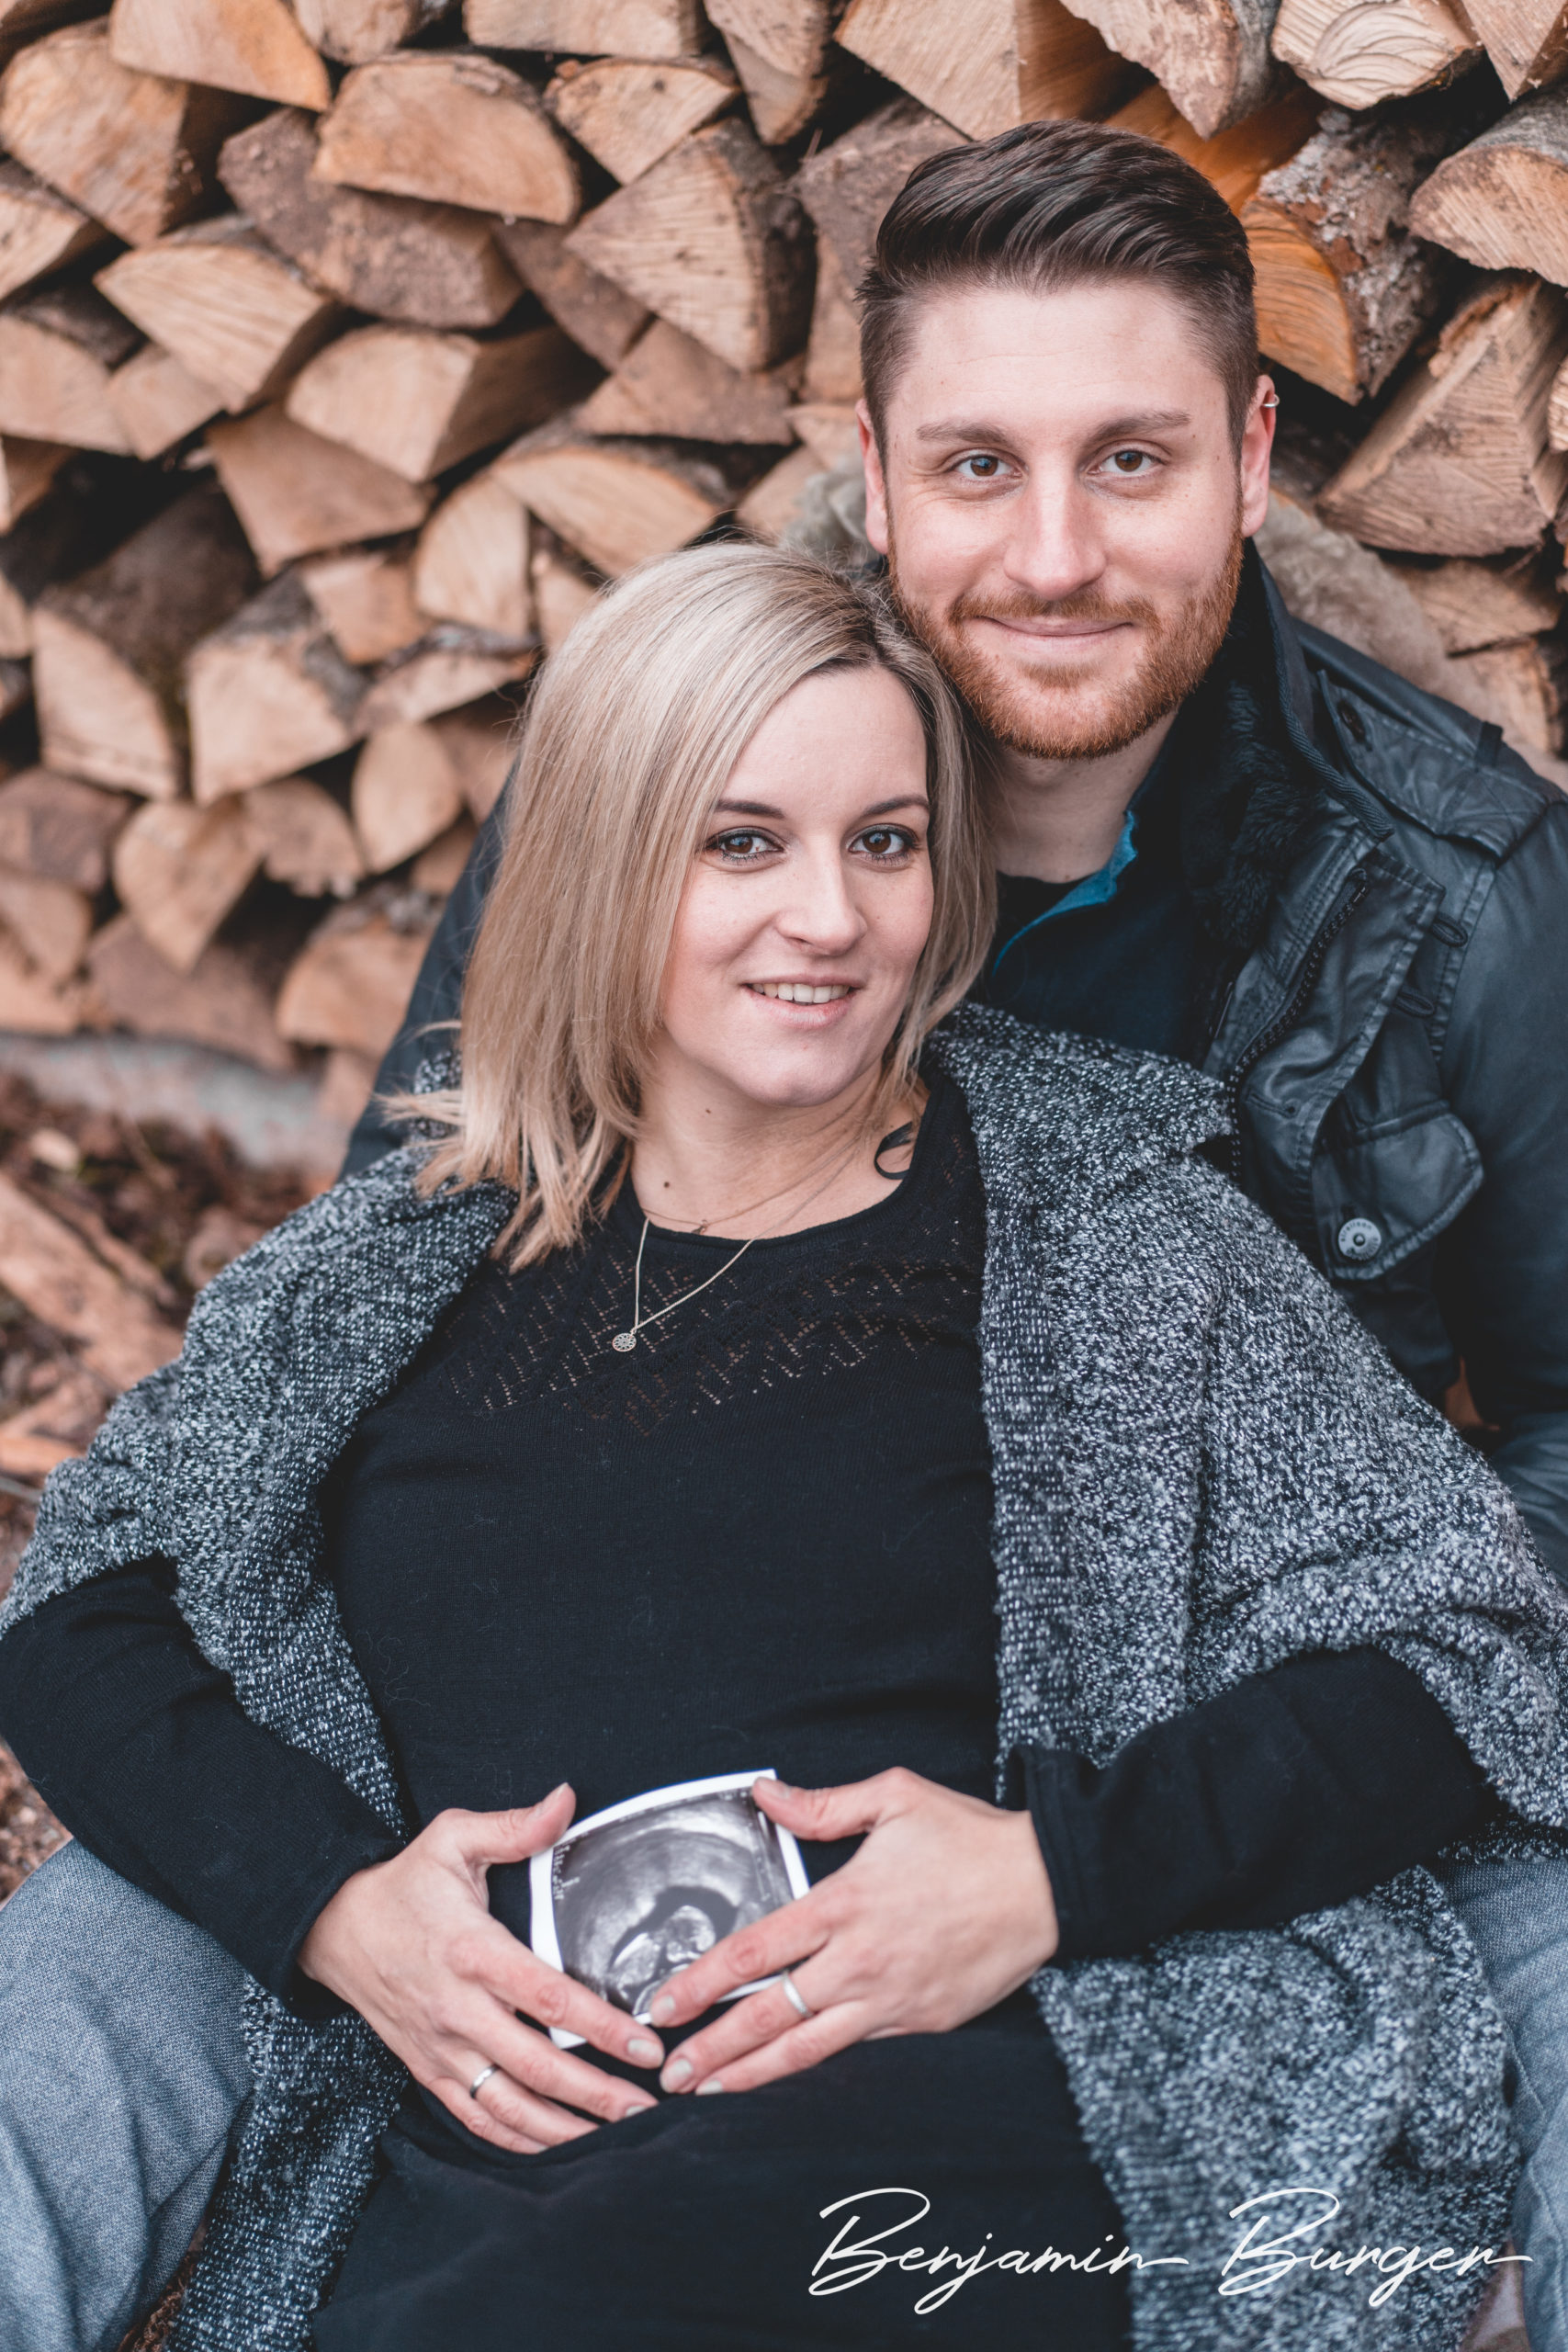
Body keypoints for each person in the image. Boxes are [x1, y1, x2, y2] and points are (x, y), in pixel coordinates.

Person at [0, 541, 1564, 2352]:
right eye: (742, 842)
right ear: (603, 860)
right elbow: (84, 1606)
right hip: (488, 2197)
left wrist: (1051, 1875)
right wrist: (335, 1904)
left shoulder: (1108, 1226)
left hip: (962, 2154)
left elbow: (1471, 1650)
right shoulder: (392, 1265)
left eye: (884, 841)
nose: (830, 916)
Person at [348, 118, 1568, 2346]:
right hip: (705, 1686)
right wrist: (325, 1880)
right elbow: (393, 1271)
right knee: (113, 1970)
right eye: (978, 465)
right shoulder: (652, 774)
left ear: (1249, 459)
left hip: (1278, 1733)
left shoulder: (1456, 887)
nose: (1055, 553)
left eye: (1131, 460)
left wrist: (1165, 1810)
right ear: (875, 473)